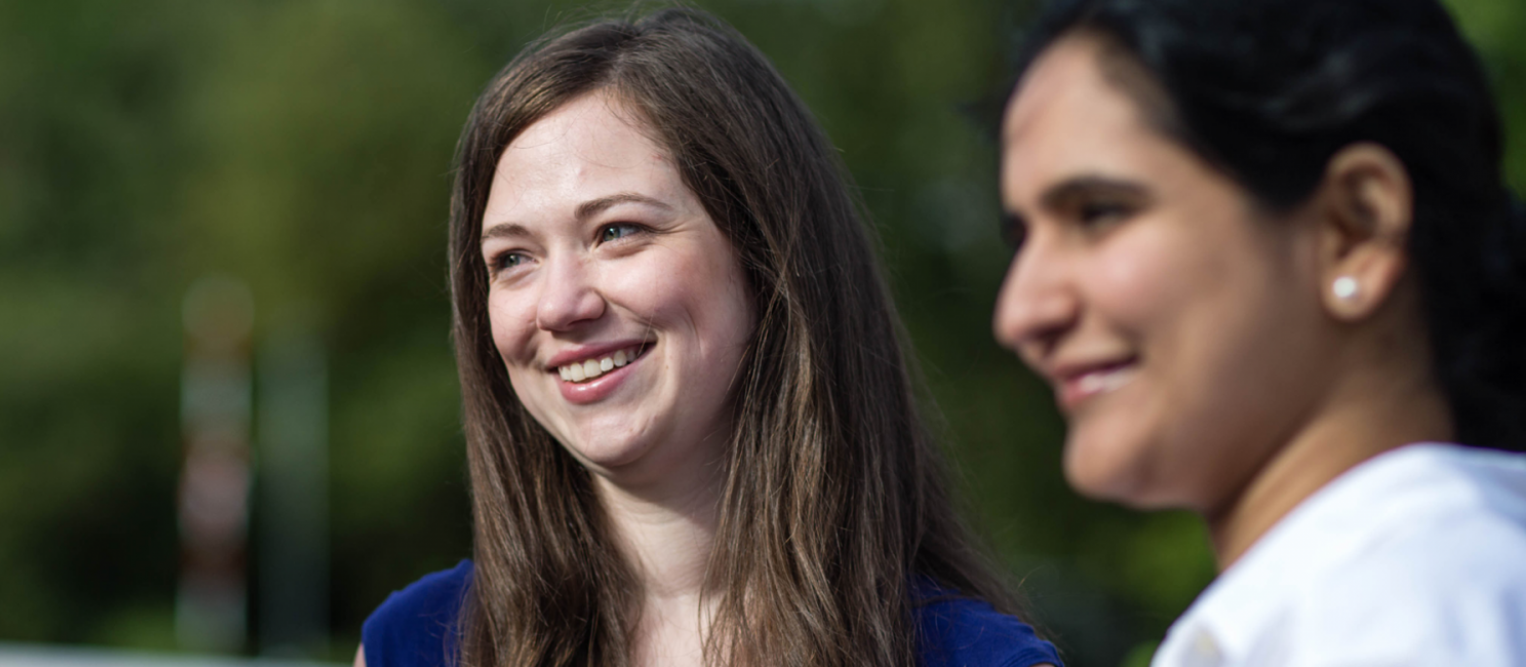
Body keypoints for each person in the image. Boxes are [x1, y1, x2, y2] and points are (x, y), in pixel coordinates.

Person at [359, 8, 1061, 667]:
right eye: (512, 258)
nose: (559, 304)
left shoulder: (970, 658)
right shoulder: (417, 645)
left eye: (616, 231)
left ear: (764, 261)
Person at [994, 0, 1526, 664]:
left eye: (1099, 213)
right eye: (1021, 237)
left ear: (1355, 228)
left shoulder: (1411, 610)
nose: (1021, 313)